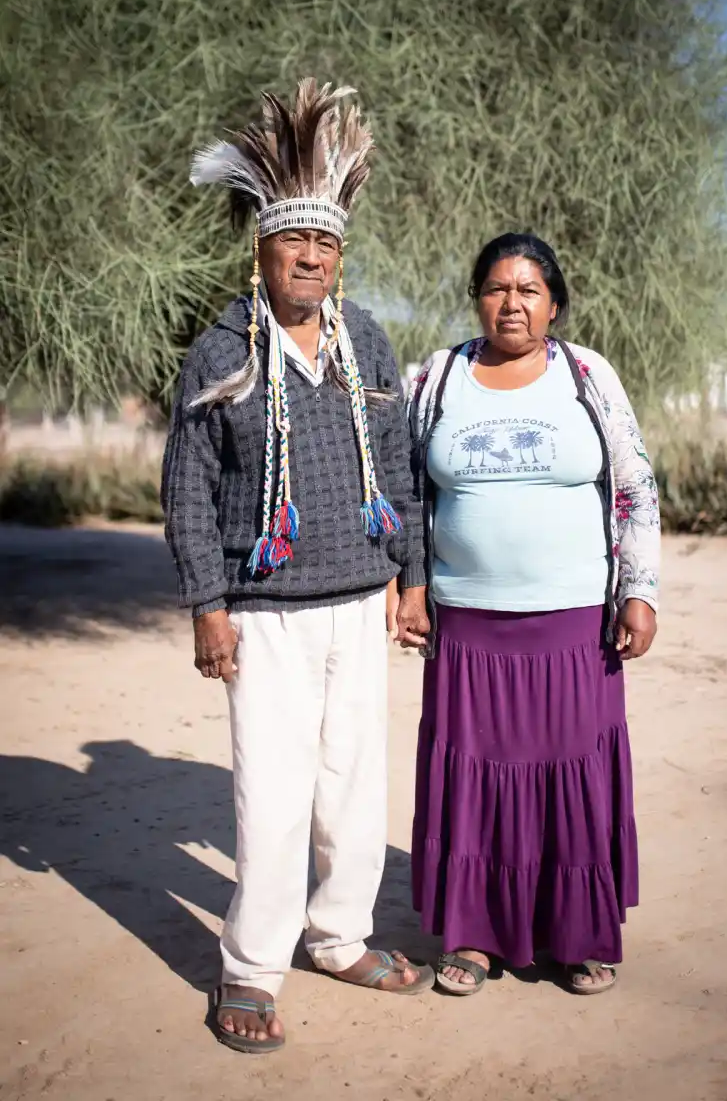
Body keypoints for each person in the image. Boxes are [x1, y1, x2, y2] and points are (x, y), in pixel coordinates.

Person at [161, 79, 432, 1054]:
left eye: (324, 243)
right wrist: (206, 604)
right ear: (262, 248)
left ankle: (339, 936)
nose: (310, 256)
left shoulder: (365, 340)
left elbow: (397, 468)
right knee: (270, 797)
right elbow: (187, 484)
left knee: (354, 785)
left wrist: (409, 576)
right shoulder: (221, 352)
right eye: (292, 242)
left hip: (360, 602)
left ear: (338, 256)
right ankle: (247, 970)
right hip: (264, 611)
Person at [396, 232, 660, 997]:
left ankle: (578, 937)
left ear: (554, 303)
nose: (511, 302)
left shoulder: (586, 375)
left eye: (529, 289)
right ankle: (474, 939)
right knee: (475, 778)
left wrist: (640, 590)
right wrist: (411, 586)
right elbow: (411, 492)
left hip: (575, 624)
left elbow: (634, 484)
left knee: (571, 773)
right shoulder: (439, 377)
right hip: (467, 626)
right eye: (496, 287)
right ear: (477, 297)